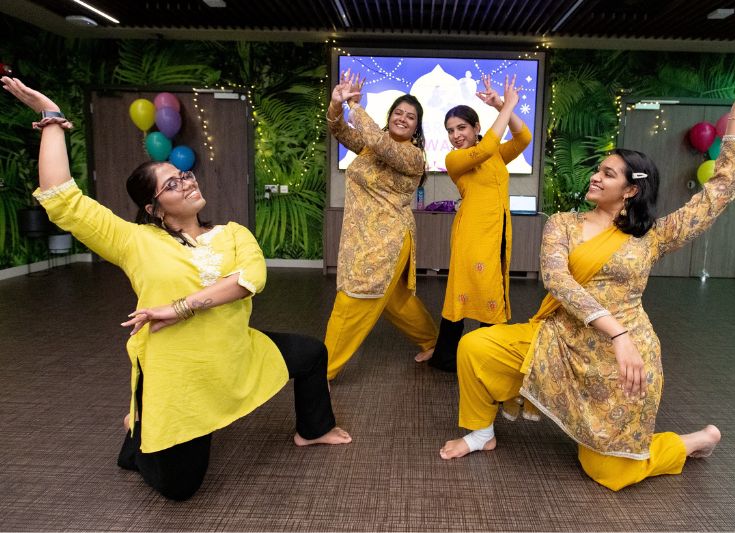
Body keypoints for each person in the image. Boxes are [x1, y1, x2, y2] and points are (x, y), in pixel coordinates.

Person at [2, 76, 351, 501]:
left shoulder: (233, 232)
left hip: (234, 353)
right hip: (180, 376)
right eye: (172, 184)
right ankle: (142, 430)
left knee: (310, 352)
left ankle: (314, 430)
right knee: (179, 488)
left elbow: (249, 280)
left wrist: (181, 307)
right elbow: (62, 198)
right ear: (153, 208)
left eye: (183, 174)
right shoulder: (135, 241)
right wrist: (52, 117)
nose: (186, 182)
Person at [438, 91, 735, 491]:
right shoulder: (563, 224)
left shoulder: (652, 236)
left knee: (609, 472)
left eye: (609, 173)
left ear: (630, 190)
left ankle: (690, 442)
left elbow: (719, 192)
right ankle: (480, 432)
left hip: (621, 360)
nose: (596, 175)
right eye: (599, 169)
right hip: (561, 337)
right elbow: (558, 280)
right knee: (475, 348)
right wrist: (617, 332)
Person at [324, 70, 438, 380]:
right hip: (359, 236)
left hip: (386, 240)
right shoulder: (369, 147)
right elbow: (337, 128)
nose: (403, 118)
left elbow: (379, 140)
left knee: (354, 298)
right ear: (390, 116)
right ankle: (435, 342)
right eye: (398, 112)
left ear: (417, 127)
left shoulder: (414, 156)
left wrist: (355, 106)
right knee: (394, 301)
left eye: (410, 116)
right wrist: (338, 104)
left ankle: (323, 374)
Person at [419, 74, 532, 373]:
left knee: (490, 289)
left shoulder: (494, 154)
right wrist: (507, 106)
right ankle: (457, 358)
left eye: (462, 128)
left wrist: (500, 106)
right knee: (474, 291)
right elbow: (483, 149)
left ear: (476, 127)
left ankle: (479, 355)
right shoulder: (455, 159)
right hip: (473, 233)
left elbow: (524, 138)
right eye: (450, 130)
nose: (456, 135)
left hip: (498, 232)